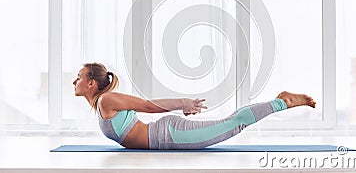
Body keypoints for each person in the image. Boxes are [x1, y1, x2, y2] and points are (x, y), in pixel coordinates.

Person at [73, 62, 316, 150]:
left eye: (80, 77)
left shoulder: (107, 100)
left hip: (168, 136)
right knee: (230, 124)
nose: (75, 81)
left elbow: (148, 106)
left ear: (92, 83)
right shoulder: (103, 103)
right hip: (165, 136)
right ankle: (281, 99)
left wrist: (182, 103)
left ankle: (283, 102)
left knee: (232, 124)